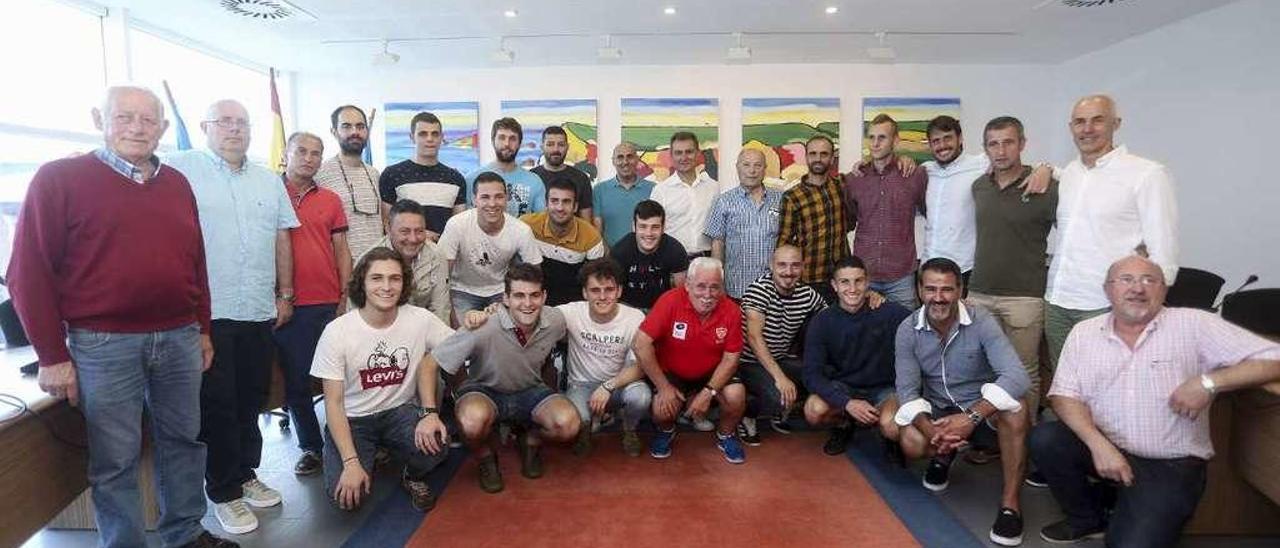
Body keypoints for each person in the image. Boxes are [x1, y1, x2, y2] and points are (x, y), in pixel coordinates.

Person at [8, 85, 236, 548]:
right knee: (116, 459)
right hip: (102, 344)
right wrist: (52, 355)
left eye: (148, 120)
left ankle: (185, 533)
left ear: (163, 128)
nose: (137, 127)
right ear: (100, 119)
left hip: (178, 337)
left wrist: (203, 330)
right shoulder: (60, 179)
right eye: (124, 117)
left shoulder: (176, 184)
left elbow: (195, 264)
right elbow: (26, 272)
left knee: (185, 444)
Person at [1030, 256, 1280, 546]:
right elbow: (1063, 395)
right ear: (1107, 289)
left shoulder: (1194, 324)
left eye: (1149, 280)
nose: (1138, 288)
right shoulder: (1084, 333)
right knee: (1045, 439)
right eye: (1126, 280)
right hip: (1106, 445)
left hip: (1168, 464)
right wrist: (1099, 446)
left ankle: (1134, 504)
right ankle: (1087, 519)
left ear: (1164, 290)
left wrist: (1208, 382)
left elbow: (1274, 357)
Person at [167, 99, 299, 534]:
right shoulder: (180, 169)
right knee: (217, 405)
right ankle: (224, 492)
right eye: (225, 122)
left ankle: (246, 474)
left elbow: (282, 236)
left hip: (258, 309)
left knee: (252, 398)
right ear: (205, 126)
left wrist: (285, 293)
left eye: (242, 123)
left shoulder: (267, 178)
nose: (234, 130)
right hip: (208, 312)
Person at [892, 258, 1031, 547]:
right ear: (919, 290)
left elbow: (1017, 376)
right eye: (931, 289)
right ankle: (943, 454)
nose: (938, 297)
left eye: (947, 289)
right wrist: (932, 431)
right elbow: (906, 390)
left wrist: (971, 417)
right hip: (940, 413)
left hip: (980, 411)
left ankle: (1010, 504)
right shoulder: (907, 329)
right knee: (911, 441)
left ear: (960, 290)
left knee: (1018, 410)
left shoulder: (981, 321)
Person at [312, 247, 453, 512]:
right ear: (362, 283)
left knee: (438, 444)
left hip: (398, 412)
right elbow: (333, 403)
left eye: (395, 278)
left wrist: (429, 413)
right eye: (377, 278)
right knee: (343, 498)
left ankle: (409, 473)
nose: (386, 286)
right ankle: (351, 451)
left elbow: (459, 345)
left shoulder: (420, 319)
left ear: (404, 283)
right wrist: (351, 462)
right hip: (352, 419)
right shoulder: (337, 332)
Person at [465, 258, 651, 457]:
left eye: (609, 289)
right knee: (572, 425)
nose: (603, 296)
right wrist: (493, 310)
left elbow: (642, 366)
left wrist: (608, 386)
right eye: (595, 290)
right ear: (585, 293)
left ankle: (629, 429)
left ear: (620, 291)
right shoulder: (568, 313)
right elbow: (528, 311)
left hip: (620, 383)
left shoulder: (634, 317)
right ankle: (588, 426)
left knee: (641, 397)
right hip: (582, 385)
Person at [1045, 95, 1178, 370]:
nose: (1088, 129)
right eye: (1080, 122)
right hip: (1057, 301)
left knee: (1111, 388)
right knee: (1067, 386)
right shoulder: (1070, 173)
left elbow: (1164, 251)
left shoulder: (1146, 174)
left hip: (1106, 305)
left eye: (1097, 120)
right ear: (1071, 127)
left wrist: (1148, 311)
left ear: (1116, 124)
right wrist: (1044, 168)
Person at [427, 263, 580, 493]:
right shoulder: (483, 325)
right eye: (519, 295)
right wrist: (430, 412)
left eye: (534, 295)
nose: (527, 303)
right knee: (471, 421)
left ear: (544, 296)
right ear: (505, 299)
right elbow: (429, 364)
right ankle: (485, 457)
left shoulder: (556, 321)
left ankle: (530, 441)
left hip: (530, 390)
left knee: (569, 425)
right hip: (485, 391)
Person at [968, 116, 1057, 425]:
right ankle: (993, 434)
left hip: (1025, 297)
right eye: (994, 144)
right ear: (986, 149)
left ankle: (1025, 437)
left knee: (1023, 372)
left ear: (1022, 144)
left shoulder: (1046, 186)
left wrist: (1048, 167)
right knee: (987, 369)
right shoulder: (980, 186)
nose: (1001, 150)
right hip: (980, 293)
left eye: (1008, 142)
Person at [276, 131, 352, 478]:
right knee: (297, 381)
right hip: (289, 305)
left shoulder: (331, 200)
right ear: (287, 154)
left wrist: (344, 296)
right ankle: (311, 448)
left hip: (328, 301)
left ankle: (350, 442)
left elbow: (341, 251)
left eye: (316, 153)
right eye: (302, 151)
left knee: (343, 378)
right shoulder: (269, 193)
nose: (309, 158)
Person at [634, 257, 748, 464]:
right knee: (662, 408)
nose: (707, 294)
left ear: (722, 288)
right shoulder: (669, 301)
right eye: (701, 286)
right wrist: (664, 387)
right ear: (687, 284)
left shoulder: (731, 310)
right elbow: (640, 344)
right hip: (674, 371)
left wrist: (708, 392)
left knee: (736, 396)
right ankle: (667, 430)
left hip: (713, 373)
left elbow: (731, 358)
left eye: (714, 287)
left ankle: (726, 435)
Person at [920, 115, 1049, 287]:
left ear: (960, 139)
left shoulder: (980, 164)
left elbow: (1019, 167)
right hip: (929, 266)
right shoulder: (925, 171)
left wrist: (1045, 168)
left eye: (947, 138)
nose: (942, 145)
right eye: (936, 141)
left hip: (965, 269)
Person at [802, 256, 911, 457]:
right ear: (834, 285)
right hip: (845, 388)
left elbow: (923, 323)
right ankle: (845, 423)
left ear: (867, 282)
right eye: (845, 282)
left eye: (858, 281)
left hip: (884, 389)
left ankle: (886, 436)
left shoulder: (891, 312)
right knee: (814, 410)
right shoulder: (822, 321)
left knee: (893, 426)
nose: (852, 288)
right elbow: (811, 374)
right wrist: (847, 403)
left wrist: (960, 307)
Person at [736, 245, 826, 445]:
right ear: (771, 266)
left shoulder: (807, 294)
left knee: (820, 373)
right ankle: (746, 415)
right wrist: (780, 378)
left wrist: (868, 297)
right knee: (777, 394)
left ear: (803, 267)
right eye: (782, 265)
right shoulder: (759, 290)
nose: (788, 272)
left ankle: (779, 409)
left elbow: (831, 318)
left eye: (795, 266)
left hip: (780, 357)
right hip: (749, 362)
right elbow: (754, 337)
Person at [843, 114, 928, 310]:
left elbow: (930, 212)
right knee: (865, 335)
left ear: (895, 140)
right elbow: (850, 220)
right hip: (865, 275)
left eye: (882, 137)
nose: (875, 143)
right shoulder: (854, 179)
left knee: (904, 333)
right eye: (871, 137)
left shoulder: (914, 175)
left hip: (902, 275)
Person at [436, 171, 543, 322]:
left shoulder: (521, 230)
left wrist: (511, 303)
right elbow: (442, 275)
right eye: (485, 197)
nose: (492, 204)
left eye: (498, 197)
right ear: (474, 200)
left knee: (503, 332)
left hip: (500, 291)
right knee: (465, 336)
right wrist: (452, 320)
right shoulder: (457, 224)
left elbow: (535, 275)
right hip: (461, 290)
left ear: (507, 199)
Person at [777, 135, 849, 304]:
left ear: (832, 158)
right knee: (811, 329)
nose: (818, 159)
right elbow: (783, 242)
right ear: (806, 157)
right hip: (809, 279)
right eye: (813, 154)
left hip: (841, 278)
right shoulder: (792, 197)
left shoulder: (842, 186)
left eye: (824, 154)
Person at [703, 148, 782, 300]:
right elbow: (717, 245)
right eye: (746, 165)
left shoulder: (780, 199)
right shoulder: (724, 201)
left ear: (765, 169)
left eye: (757, 165)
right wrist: (716, 283)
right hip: (736, 289)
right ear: (737, 167)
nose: (752, 171)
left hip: (772, 289)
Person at [377, 111, 467, 241]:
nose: (429, 139)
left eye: (434, 134)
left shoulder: (456, 179)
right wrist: (422, 235)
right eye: (423, 134)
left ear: (442, 138)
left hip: (443, 255)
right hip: (403, 256)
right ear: (412, 137)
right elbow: (387, 224)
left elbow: (459, 228)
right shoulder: (392, 174)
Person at [358, 199, 450, 323]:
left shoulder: (437, 255)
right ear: (388, 228)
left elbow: (440, 309)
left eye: (419, 231)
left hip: (422, 329)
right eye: (404, 231)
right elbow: (357, 313)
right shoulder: (368, 260)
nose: (413, 239)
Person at [520, 178, 606, 306]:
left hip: (573, 305)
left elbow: (595, 282)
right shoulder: (525, 225)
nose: (560, 208)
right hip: (533, 301)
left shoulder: (591, 237)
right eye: (554, 201)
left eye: (566, 202)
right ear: (546, 203)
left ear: (575, 206)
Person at [316, 105, 385, 259]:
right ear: (334, 132)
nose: (355, 132)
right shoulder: (320, 174)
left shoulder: (374, 174)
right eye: (347, 126)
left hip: (374, 266)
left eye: (360, 126)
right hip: (339, 268)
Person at [649, 131, 720, 258]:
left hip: (706, 259)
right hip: (672, 260)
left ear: (698, 153)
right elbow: (653, 232)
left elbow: (719, 232)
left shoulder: (713, 188)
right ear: (671, 156)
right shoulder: (660, 191)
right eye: (678, 153)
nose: (684, 157)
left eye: (689, 152)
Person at [611, 200, 689, 310]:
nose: (649, 233)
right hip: (628, 310)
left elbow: (682, 294)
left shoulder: (675, 250)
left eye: (655, 227)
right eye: (643, 226)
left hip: (664, 310)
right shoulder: (620, 252)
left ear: (663, 227)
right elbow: (612, 293)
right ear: (634, 227)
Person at [465, 117, 546, 216]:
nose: (507, 144)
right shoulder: (471, 179)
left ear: (519, 143)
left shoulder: (534, 182)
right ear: (493, 141)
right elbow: (466, 221)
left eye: (512, 139)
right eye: (502, 138)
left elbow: (541, 222)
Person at [592, 142, 655, 247]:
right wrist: (608, 256)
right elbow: (597, 231)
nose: (625, 162)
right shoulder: (599, 190)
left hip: (645, 256)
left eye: (630, 157)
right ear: (613, 161)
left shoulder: (654, 189)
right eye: (620, 157)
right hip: (611, 257)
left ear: (637, 159)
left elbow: (657, 226)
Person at [530, 125, 594, 221]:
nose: (556, 149)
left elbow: (586, 222)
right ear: (542, 147)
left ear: (567, 147)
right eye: (550, 144)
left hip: (572, 235)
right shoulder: (531, 177)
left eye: (561, 144)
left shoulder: (581, 178)